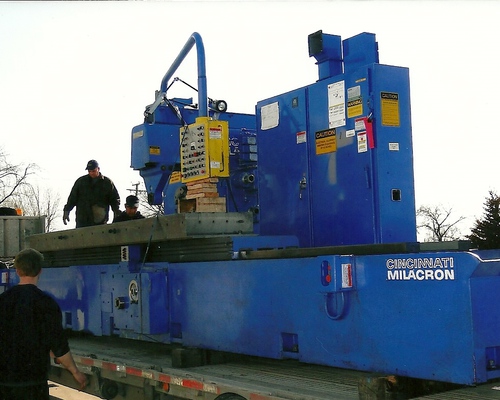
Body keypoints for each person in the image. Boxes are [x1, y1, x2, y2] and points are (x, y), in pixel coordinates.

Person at [0, 248, 87, 400]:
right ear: (40, 271)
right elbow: (59, 345)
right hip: (33, 384)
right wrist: (75, 372)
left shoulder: (3, 300)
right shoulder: (46, 303)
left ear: (18, 271)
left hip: (4, 383)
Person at [63, 159, 121, 228]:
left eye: (93, 171)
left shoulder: (107, 183)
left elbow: (114, 199)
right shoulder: (81, 182)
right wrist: (67, 211)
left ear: (98, 169)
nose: (91, 173)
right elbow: (72, 198)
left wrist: (116, 211)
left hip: (100, 221)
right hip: (82, 220)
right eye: (89, 171)